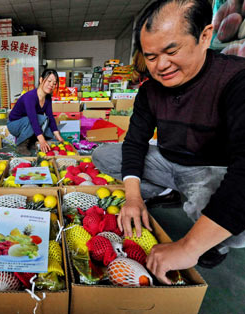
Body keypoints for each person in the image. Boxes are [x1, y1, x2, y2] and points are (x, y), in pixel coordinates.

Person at [92, 0, 245, 284]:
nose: (161, 66)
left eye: (171, 51)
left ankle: (213, 241)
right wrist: (134, 198)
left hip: (208, 169)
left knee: (233, 231)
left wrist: (189, 247)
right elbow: (135, 142)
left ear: (204, 36)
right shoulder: (150, 91)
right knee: (103, 155)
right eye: (151, 56)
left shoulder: (235, 79)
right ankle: (165, 193)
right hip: (166, 159)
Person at [7, 69, 64, 156]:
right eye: (49, 81)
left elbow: (50, 117)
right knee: (38, 119)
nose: (51, 85)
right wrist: (42, 140)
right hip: (14, 124)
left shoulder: (48, 98)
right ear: (41, 80)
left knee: (46, 121)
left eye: (54, 83)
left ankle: (31, 141)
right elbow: (33, 119)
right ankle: (21, 145)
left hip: (27, 123)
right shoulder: (30, 97)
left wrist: (58, 137)